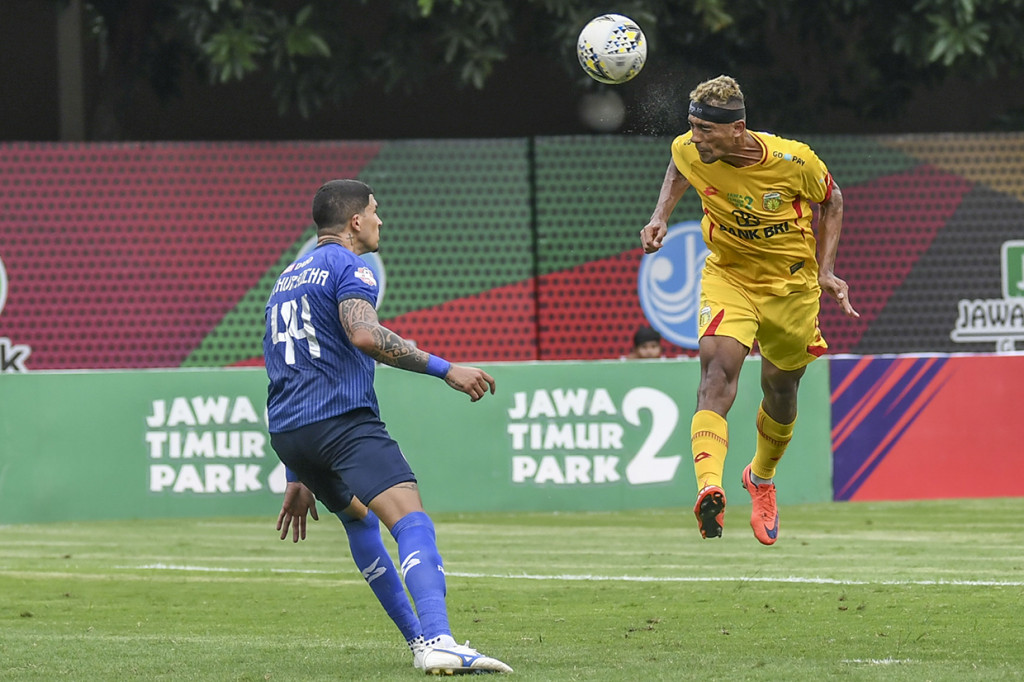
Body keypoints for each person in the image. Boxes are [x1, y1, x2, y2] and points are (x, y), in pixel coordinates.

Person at [263, 178, 512, 674]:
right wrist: (447, 369)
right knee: (411, 521)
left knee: (359, 520)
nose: (381, 220)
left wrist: (297, 471)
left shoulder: (286, 279)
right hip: (339, 420)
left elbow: (283, 364)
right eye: (375, 211)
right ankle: (439, 638)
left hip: (290, 431)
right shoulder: (350, 266)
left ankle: (420, 643)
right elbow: (364, 334)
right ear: (355, 220)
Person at [639, 75, 859, 546]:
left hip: (791, 288)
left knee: (780, 388)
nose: (695, 138)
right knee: (716, 373)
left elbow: (833, 199)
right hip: (729, 276)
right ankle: (709, 487)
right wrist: (660, 215)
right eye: (692, 126)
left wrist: (826, 270)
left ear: (737, 129)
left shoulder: (794, 161)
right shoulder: (690, 149)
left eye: (705, 130)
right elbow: (679, 165)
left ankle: (760, 478)